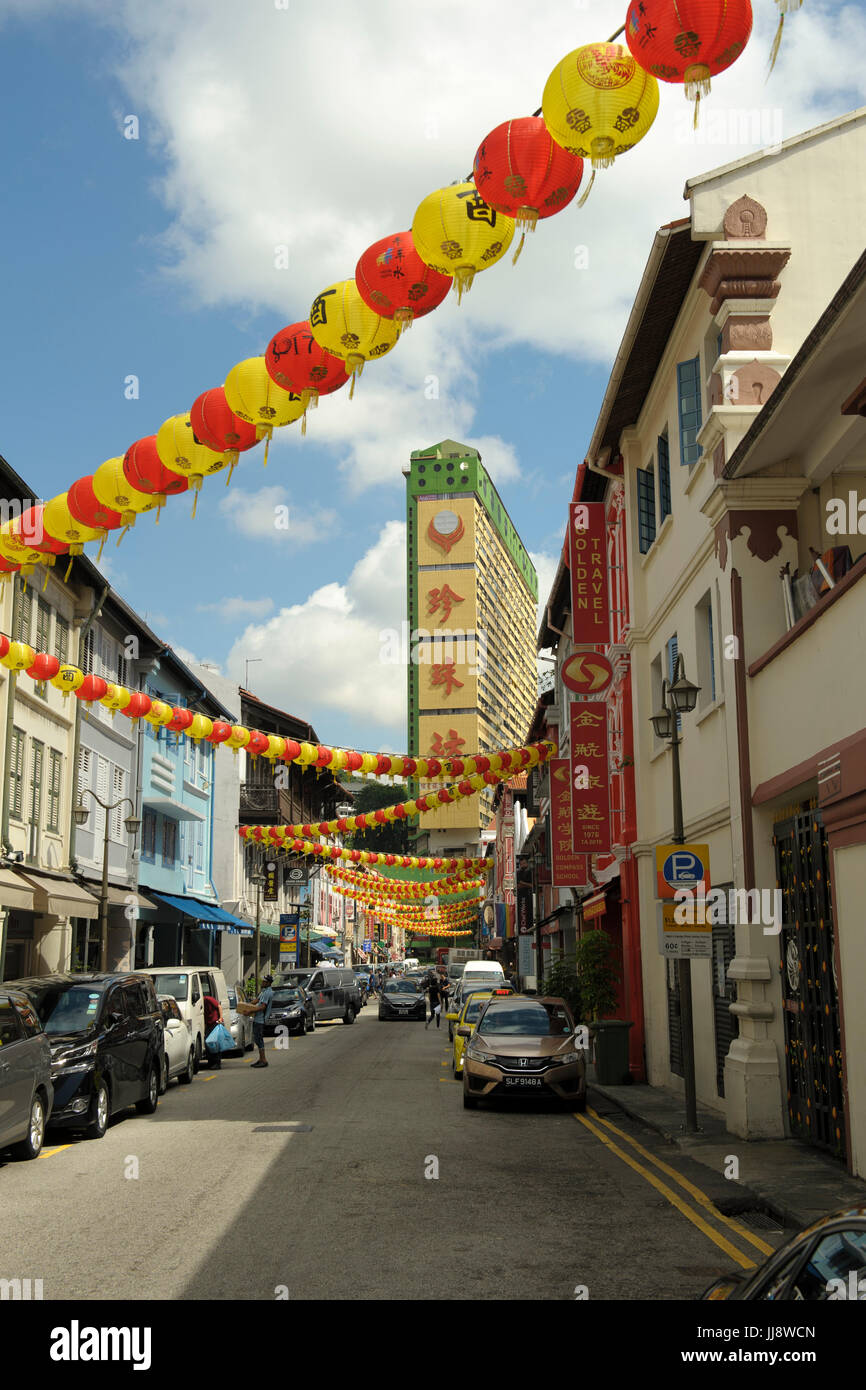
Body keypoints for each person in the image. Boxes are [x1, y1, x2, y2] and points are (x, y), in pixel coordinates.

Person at [250, 974, 274, 1069]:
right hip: (257, 1019)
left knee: (259, 1039)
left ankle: (263, 1060)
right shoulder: (263, 991)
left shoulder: (268, 992)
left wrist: (250, 1010)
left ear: (268, 983)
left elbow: (263, 1006)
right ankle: (261, 1059)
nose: (262, 983)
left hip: (260, 1019)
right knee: (257, 1039)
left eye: (264, 981)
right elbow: (256, 1001)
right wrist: (245, 1005)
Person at [203, 991, 224, 1070]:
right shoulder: (201, 1004)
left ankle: (217, 1063)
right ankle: (211, 1062)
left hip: (215, 1023)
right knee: (208, 1043)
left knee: (215, 1043)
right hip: (209, 1024)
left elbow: (219, 1006)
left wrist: (220, 1018)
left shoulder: (208, 999)